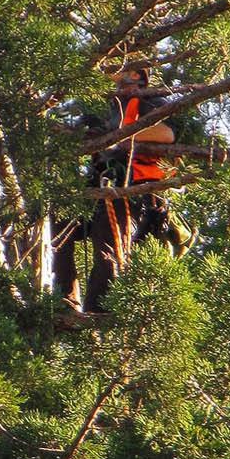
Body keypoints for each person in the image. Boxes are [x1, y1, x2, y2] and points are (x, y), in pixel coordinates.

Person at [53, 59, 178, 314]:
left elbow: (167, 134)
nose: (112, 76)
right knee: (59, 224)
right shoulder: (108, 108)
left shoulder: (149, 102)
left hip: (134, 193)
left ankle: (98, 312)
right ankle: (66, 299)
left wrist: (123, 133)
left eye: (118, 70)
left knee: (107, 245)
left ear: (135, 74)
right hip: (101, 188)